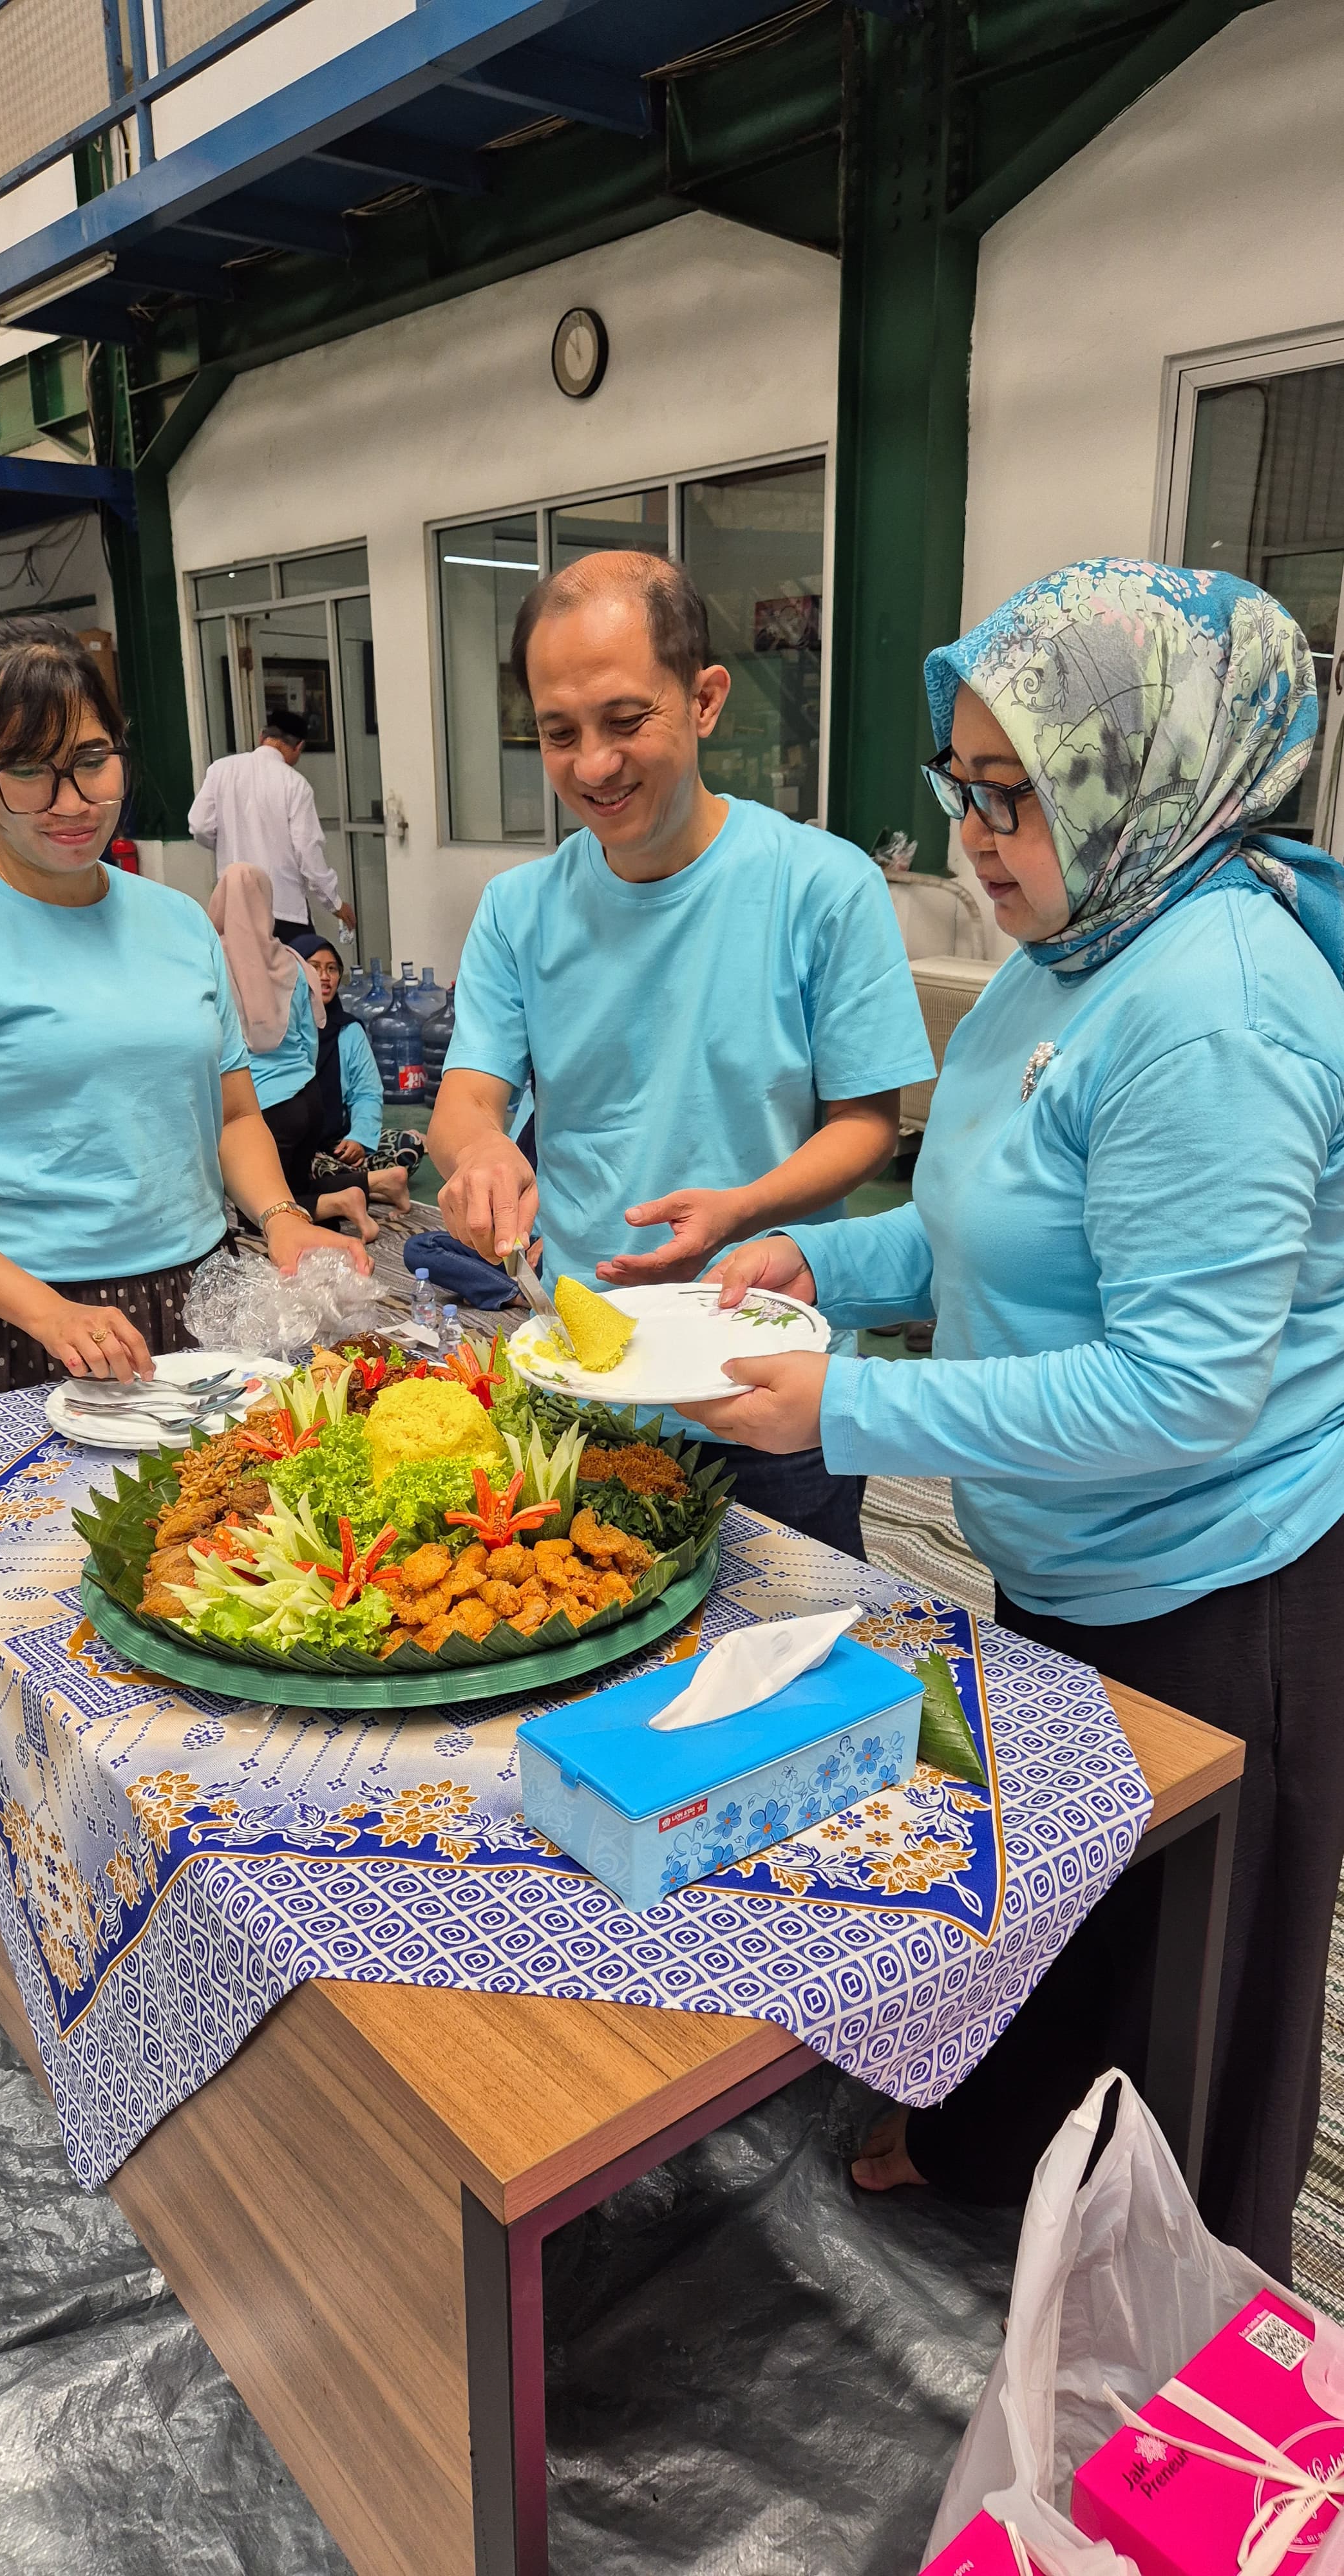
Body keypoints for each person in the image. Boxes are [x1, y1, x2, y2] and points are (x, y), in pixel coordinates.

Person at [682, 560, 1344, 2280]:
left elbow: (1180, 1386)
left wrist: (844, 1404)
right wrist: (810, 1261)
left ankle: (1175, 2332)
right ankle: (1006, 2155)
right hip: (1068, 1537)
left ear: (1143, 782)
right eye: (958, 786)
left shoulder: (1214, 1006)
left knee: (1200, 1996)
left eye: (1012, 793)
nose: (971, 836)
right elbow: (983, 1226)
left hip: (1216, 1577)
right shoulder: (1068, 952)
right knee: (1069, 1895)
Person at [428, 552, 934, 1557]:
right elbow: (465, 1102)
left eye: (626, 721)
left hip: (761, 1370)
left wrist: (743, 1208)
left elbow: (867, 1127)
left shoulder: (821, 887)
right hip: (584, 1369)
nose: (593, 766)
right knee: (579, 1617)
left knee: (795, 1629)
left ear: (704, 700)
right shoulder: (520, 910)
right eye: (558, 734)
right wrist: (479, 1155)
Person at [0, 618, 364, 1403]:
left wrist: (281, 1214)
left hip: (196, 1294)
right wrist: (46, 1313)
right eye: (29, 771)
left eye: (91, 760)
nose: (72, 803)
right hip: (15, 1318)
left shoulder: (179, 923)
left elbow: (232, 1114)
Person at [208, 866, 377, 1244]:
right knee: (295, 1187)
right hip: (306, 1098)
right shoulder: (292, 961)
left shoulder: (213, 962)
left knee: (260, 1214)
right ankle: (351, 1197)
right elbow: (310, 1038)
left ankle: (342, 1201)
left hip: (259, 1109)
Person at [189, 710, 357, 944]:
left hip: (235, 907)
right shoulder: (295, 784)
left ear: (262, 737)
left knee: (241, 968)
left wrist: (227, 844)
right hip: (283, 908)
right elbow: (307, 851)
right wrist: (334, 902)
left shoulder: (221, 770)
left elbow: (199, 825)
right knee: (295, 966)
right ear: (299, 747)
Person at [286, 931, 425, 1209]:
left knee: (409, 1145)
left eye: (332, 969)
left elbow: (366, 1092)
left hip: (339, 1143)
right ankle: (372, 1185)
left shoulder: (348, 1030)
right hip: (295, 1144)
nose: (324, 977)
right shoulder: (278, 1028)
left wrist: (359, 1138)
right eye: (314, 967)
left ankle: (352, 1186)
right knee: (289, 1167)